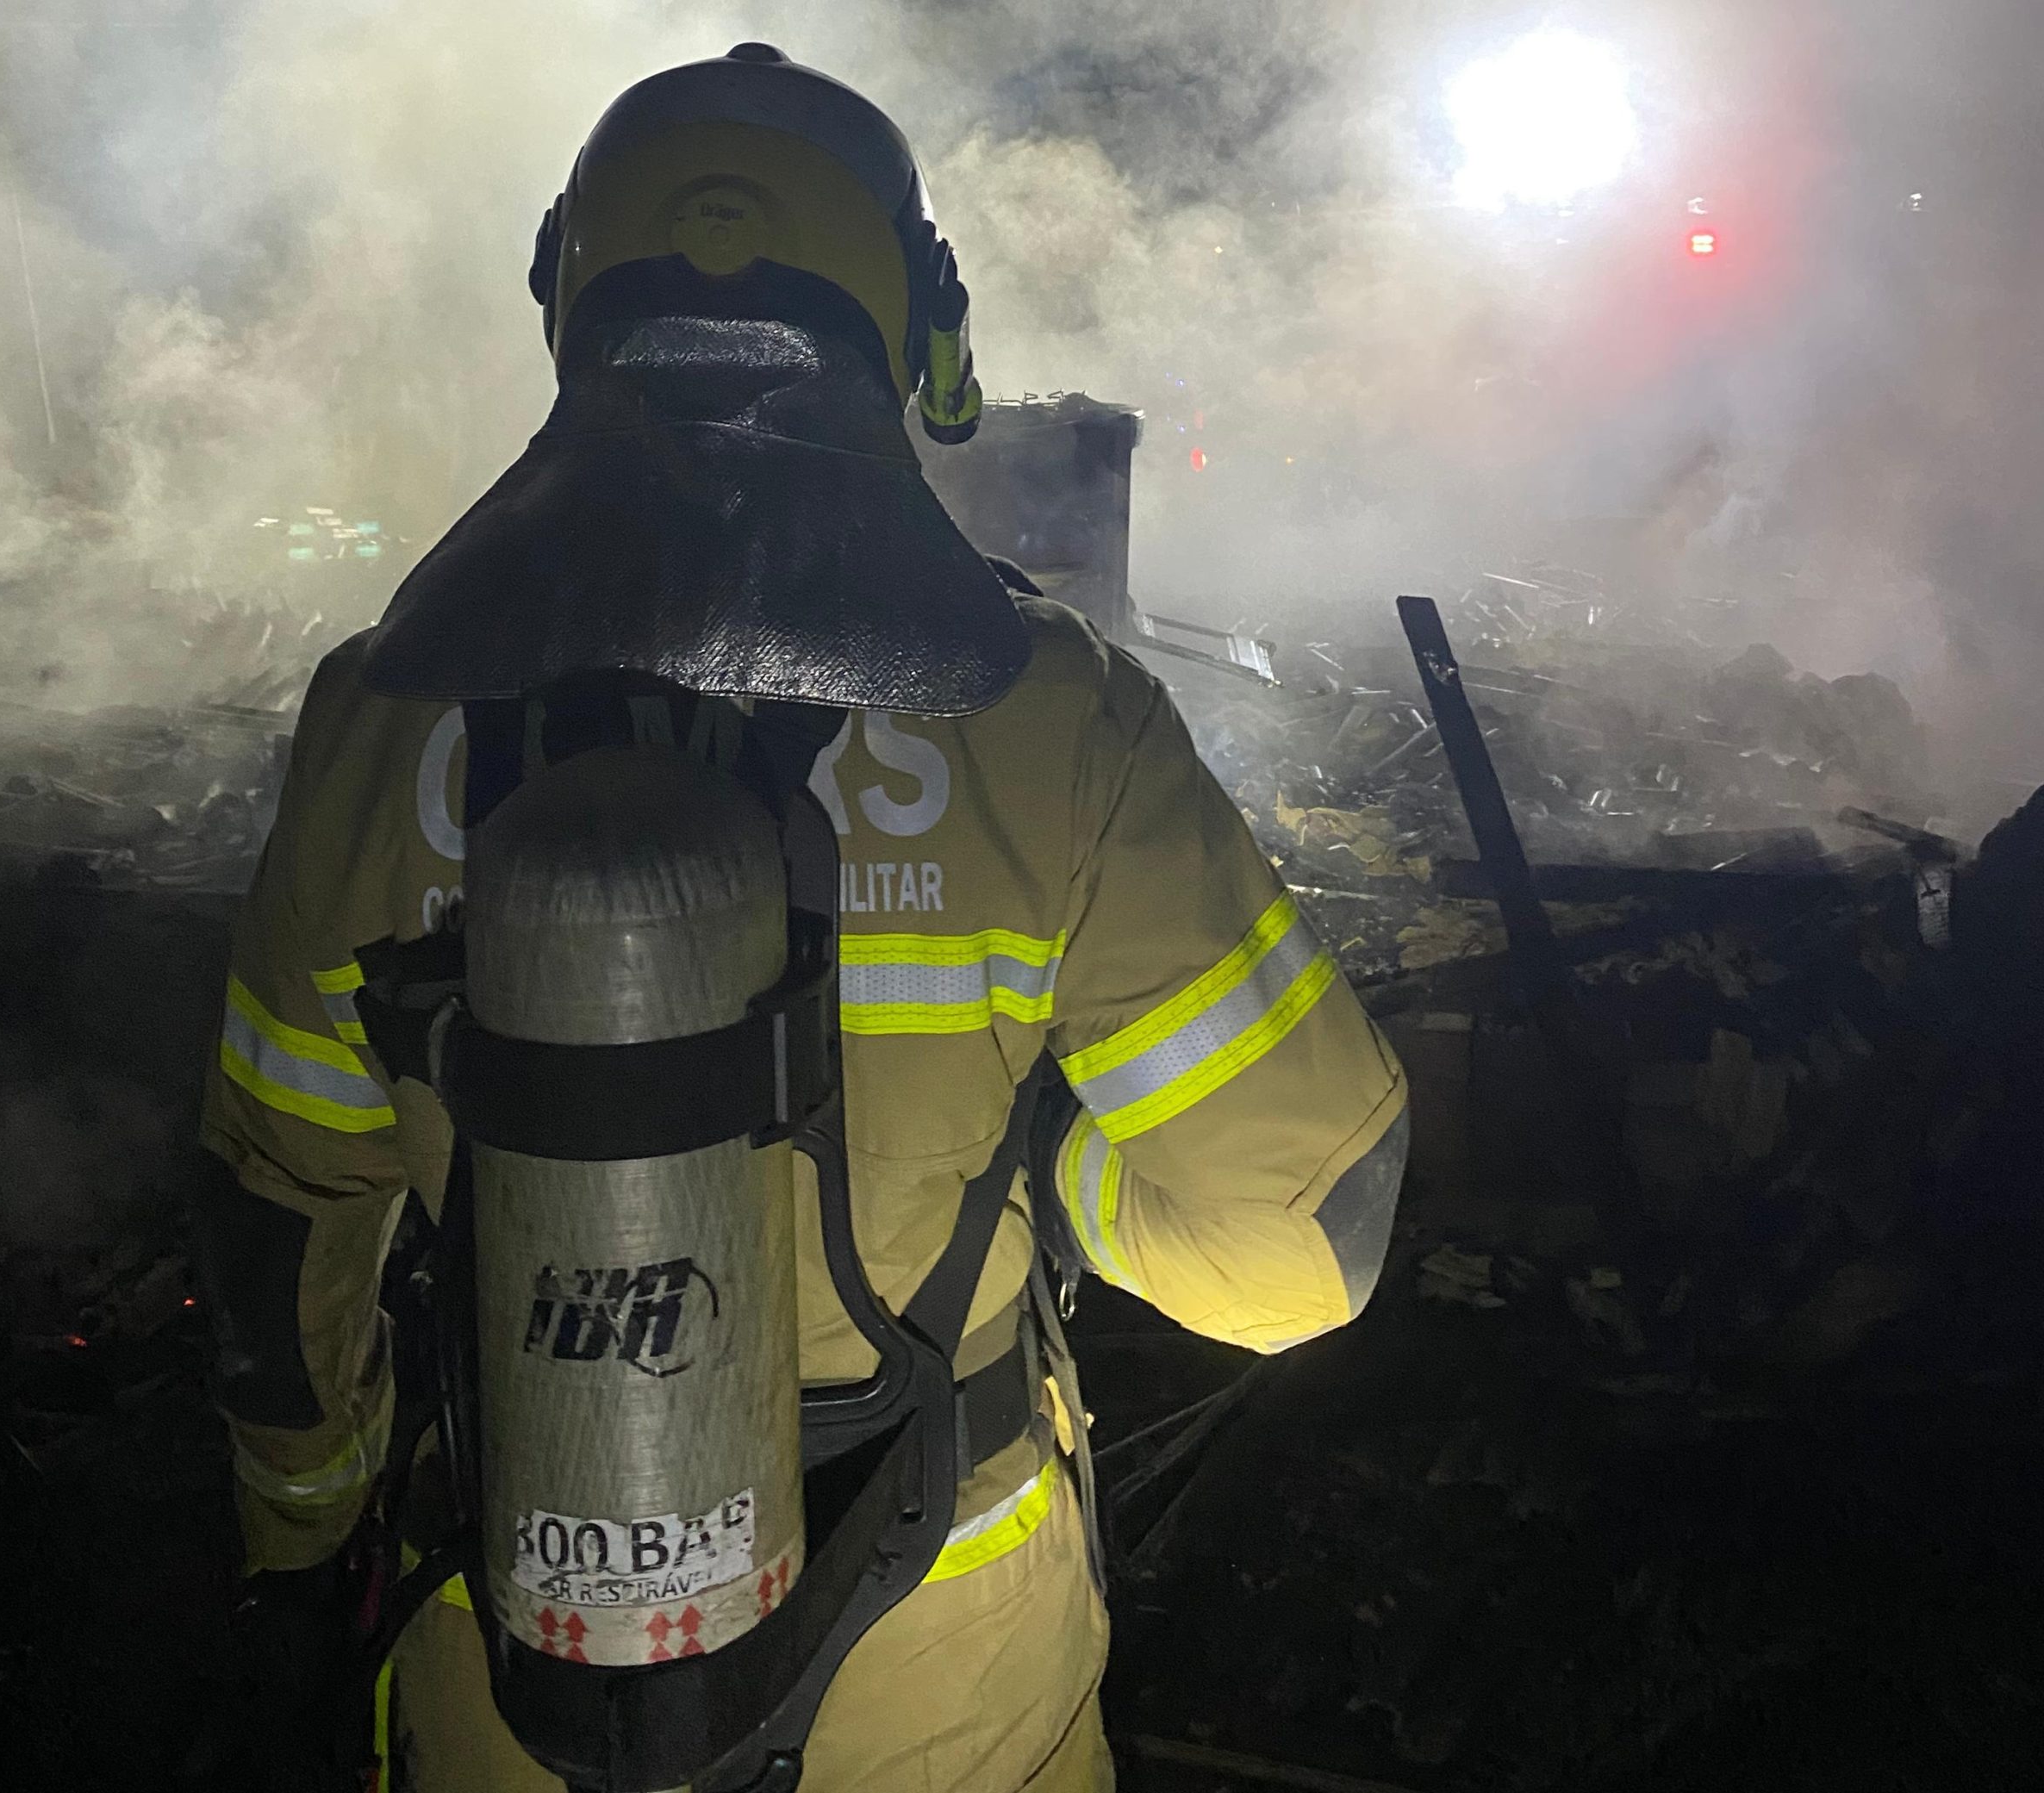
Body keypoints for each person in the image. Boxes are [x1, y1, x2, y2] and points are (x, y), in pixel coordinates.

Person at [191, 43, 1409, 1793]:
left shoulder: (382, 721)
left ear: (568, 304)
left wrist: (299, 1553)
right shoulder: (1048, 723)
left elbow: (280, 1215)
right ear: (912, 334)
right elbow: (1308, 1244)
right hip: (942, 1699)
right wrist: (1048, 1172)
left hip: (511, 1683)